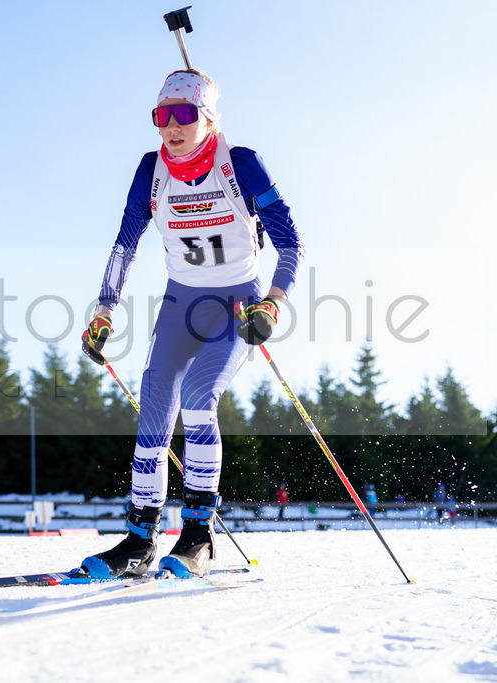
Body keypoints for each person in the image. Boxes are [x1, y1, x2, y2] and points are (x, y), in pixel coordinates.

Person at [79, 68, 304, 579]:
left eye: (184, 115)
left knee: (200, 397)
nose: (171, 127)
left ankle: (199, 535)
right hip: (181, 304)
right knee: (155, 405)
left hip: (235, 304)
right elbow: (125, 242)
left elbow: (291, 242)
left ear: (208, 118)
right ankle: (139, 541)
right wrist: (105, 308)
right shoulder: (150, 169)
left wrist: (272, 302)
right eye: (161, 116)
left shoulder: (240, 163)